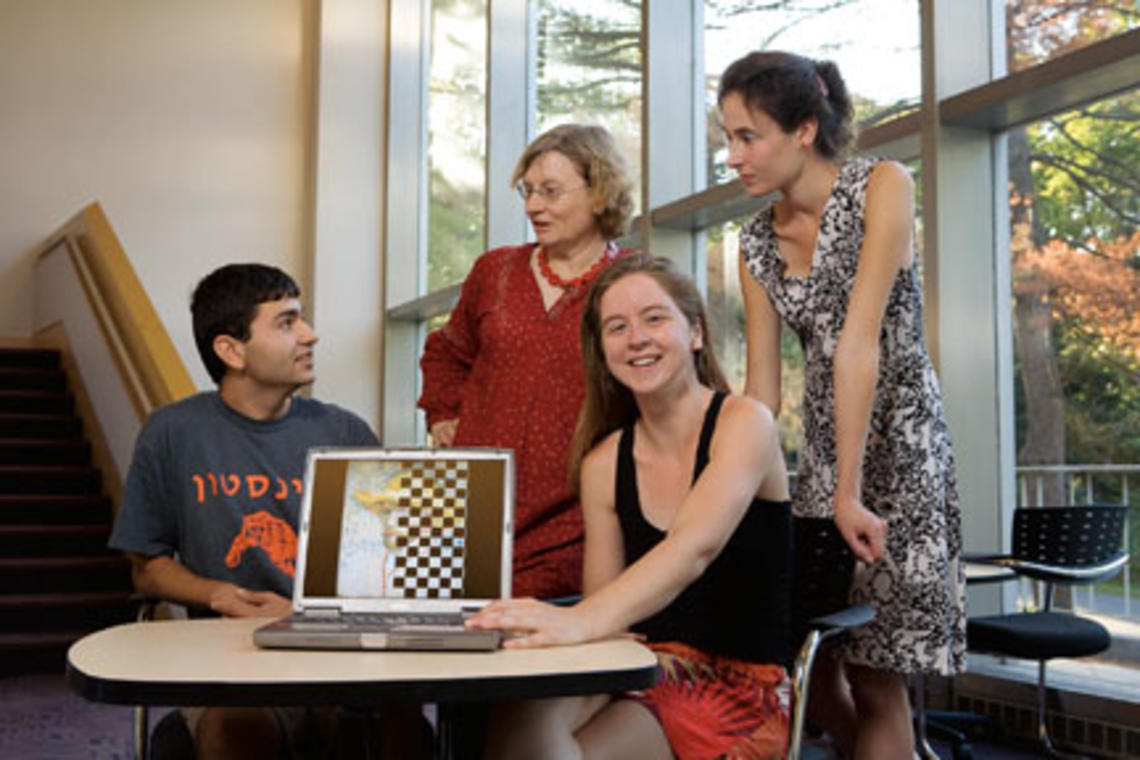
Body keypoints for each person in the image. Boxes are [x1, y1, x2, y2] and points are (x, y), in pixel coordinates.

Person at [719, 50, 966, 758]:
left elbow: (861, 346)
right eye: (728, 137)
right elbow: (762, 392)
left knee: (877, 675)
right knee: (816, 668)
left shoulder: (882, 185)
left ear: (803, 129)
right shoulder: (755, 241)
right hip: (824, 462)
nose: (733, 155)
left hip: (898, 449)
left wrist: (849, 494)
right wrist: (730, 498)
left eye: (747, 136)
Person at [466, 254, 794, 760]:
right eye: (617, 328)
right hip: (638, 662)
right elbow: (609, 613)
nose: (636, 338)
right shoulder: (603, 461)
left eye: (655, 318)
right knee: (519, 719)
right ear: (602, 351)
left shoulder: (746, 422)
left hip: (736, 685)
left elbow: (693, 549)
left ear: (696, 333)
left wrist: (579, 620)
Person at [107, 263, 410, 759]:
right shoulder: (171, 433)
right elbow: (148, 570)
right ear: (232, 350)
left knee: (402, 725)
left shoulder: (347, 433)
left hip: (339, 654)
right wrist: (216, 593)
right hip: (230, 661)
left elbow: (386, 570)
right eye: (287, 322)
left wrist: (308, 615)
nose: (310, 335)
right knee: (237, 731)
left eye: (303, 319)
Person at [418, 123, 634, 600]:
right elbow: (446, 351)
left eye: (551, 192)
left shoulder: (632, 282)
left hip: (575, 520)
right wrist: (443, 414)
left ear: (600, 192)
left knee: (539, 655)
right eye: (529, 191)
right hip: (469, 512)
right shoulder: (495, 270)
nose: (534, 206)